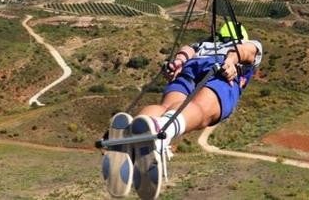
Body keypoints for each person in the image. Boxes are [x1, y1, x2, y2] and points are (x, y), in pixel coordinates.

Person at [102, 22, 263, 199]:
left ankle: (131, 135)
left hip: (191, 67)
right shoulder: (249, 45)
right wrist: (231, 61)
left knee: (166, 107)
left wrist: (178, 62)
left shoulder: (203, 45)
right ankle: (159, 131)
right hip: (222, 70)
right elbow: (246, 51)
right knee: (202, 110)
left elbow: (187, 49)